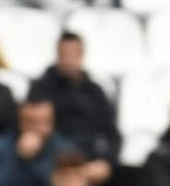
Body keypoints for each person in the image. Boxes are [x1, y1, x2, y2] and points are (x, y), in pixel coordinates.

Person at [28, 32, 118, 173]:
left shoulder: (95, 91)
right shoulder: (41, 88)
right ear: (57, 55)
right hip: (54, 160)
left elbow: (112, 134)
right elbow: (34, 126)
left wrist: (106, 162)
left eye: (73, 54)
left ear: (82, 55)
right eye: (64, 54)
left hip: (90, 159)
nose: (69, 60)